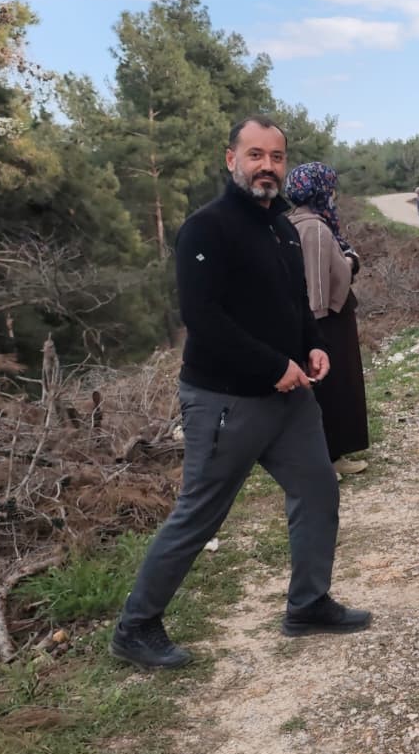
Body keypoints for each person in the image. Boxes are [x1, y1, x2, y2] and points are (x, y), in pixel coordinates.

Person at [110, 116, 371, 671]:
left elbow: (295, 303)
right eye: (255, 155)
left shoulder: (282, 227)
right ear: (231, 159)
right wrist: (273, 364)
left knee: (318, 488)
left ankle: (308, 604)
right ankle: (135, 626)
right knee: (200, 513)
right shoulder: (206, 229)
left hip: (289, 399)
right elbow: (203, 318)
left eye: (276, 157)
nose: (266, 167)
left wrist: (313, 345)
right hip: (225, 401)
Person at [286, 162, 371, 477]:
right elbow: (317, 283)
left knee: (332, 391)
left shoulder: (295, 222)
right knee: (330, 390)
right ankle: (323, 462)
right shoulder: (314, 228)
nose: (333, 195)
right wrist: (349, 262)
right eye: (330, 188)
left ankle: (332, 456)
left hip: (319, 320)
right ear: (319, 191)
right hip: (326, 321)